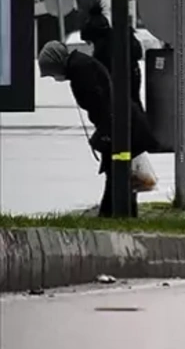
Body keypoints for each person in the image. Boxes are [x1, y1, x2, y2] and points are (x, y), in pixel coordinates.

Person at [37, 40, 156, 218]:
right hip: (123, 124)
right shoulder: (81, 65)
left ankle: (112, 215)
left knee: (117, 172)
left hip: (121, 127)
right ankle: (123, 215)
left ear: (57, 63)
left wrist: (104, 136)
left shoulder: (81, 71)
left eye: (52, 72)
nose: (54, 78)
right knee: (121, 172)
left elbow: (101, 103)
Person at [80, 2, 144, 108]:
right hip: (132, 74)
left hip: (122, 78)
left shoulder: (103, 46)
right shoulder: (120, 36)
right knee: (133, 103)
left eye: (90, 42)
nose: (91, 46)